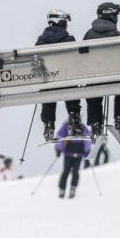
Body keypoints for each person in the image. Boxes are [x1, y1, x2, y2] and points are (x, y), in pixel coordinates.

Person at [82, 2, 120, 140]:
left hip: (95, 77)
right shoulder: (116, 34)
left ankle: (95, 124)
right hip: (115, 76)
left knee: (93, 96)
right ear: (112, 16)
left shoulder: (89, 34)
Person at [35, 9, 81, 141]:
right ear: (61, 22)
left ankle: (48, 126)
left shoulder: (40, 42)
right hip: (67, 79)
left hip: (48, 80)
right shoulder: (70, 39)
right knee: (71, 89)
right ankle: (74, 120)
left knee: (47, 95)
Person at [55, 120, 92, 199]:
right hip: (72, 153)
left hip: (74, 153)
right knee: (69, 171)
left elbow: (59, 137)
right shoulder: (68, 126)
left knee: (72, 171)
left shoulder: (75, 126)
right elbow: (60, 137)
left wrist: (58, 149)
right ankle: (65, 189)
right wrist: (87, 150)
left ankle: (70, 188)